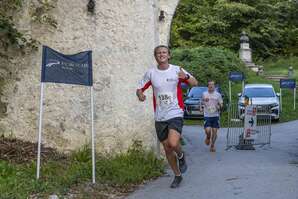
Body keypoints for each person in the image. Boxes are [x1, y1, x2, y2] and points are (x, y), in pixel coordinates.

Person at [136, 45, 198, 188]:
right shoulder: (151, 73)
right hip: (160, 116)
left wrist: (187, 77)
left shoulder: (177, 70)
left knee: (173, 143)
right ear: (155, 56)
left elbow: (195, 83)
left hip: (175, 112)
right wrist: (140, 95)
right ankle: (177, 175)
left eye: (164, 52)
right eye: (158, 53)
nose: (161, 55)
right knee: (167, 149)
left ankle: (181, 156)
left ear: (169, 55)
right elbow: (139, 88)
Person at [202, 80, 223, 152]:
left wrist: (219, 107)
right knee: (208, 131)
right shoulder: (204, 94)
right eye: (210, 85)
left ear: (214, 86)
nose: (211, 86)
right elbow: (201, 102)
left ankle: (212, 145)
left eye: (213, 85)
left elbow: (221, 104)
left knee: (214, 131)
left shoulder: (218, 95)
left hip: (215, 115)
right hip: (207, 115)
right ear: (207, 86)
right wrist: (202, 104)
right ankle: (208, 137)